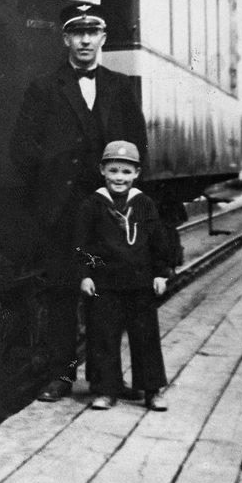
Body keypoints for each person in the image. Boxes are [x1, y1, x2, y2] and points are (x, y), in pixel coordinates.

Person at [11, 2, 148, 402]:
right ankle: (62, 377)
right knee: (61, 293)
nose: (85, 40)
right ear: (65, 39)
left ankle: (106, 380)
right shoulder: (43, 87)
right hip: (63, 212)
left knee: (107, 296)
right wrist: (48, 190)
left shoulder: (121, 87)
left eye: (92, 32)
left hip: (109, 211)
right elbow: (21, 147)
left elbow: (138, 145)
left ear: (103, 38)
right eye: (77, 33)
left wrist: (128, 201)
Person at [74, 141, 173, 411]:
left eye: (126, 172)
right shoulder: (92, 205)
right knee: (103, 337)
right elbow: (81, 245)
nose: (120, 177)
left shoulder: (144, 204)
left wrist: (160, 274)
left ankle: (152, 390)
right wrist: (85, 275)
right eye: (114, 170)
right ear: (102, 170)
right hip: (104, 284)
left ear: (137, 173)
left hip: (140, 283)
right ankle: (106, 390)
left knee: (146, 337)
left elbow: (158, 242)